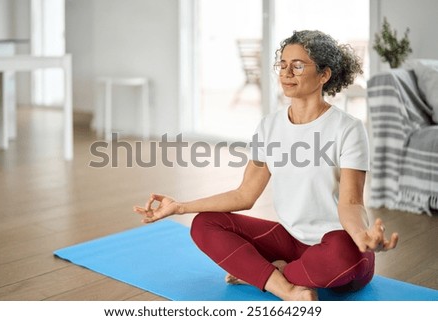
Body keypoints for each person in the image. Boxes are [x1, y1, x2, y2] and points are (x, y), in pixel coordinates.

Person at [133, 30, 399, 301]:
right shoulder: (270, 127)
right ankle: (285, 288)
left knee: (346, 254)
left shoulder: (348, 128)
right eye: (282, 65)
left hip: (336, 244)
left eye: (297, 66)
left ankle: (265, 273)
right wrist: (180, 207)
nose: (286, 73)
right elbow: (244, 195)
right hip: (290, 240)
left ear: (324, 75)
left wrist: (361, 234)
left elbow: (351, 203)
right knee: (204, 224)